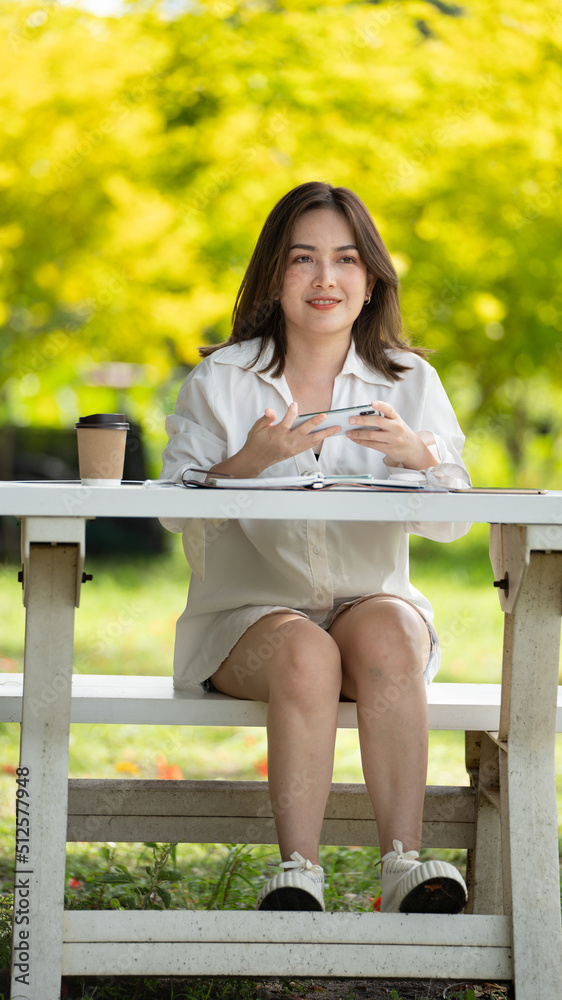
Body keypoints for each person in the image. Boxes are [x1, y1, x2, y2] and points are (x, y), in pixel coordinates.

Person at [159, 181, 472, 914]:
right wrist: (243, 467)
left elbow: (454, 520)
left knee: (393, 624)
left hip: (367, 616)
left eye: (345, 260)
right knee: (306, 652)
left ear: (370, 281)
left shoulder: (409, 382)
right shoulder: (223, 381)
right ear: (275, 276)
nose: (325, 279)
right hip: (248, 622)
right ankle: (297, 872)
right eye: (303, 259)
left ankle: (406, 868)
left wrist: (419, 457)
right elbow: (173, 511)